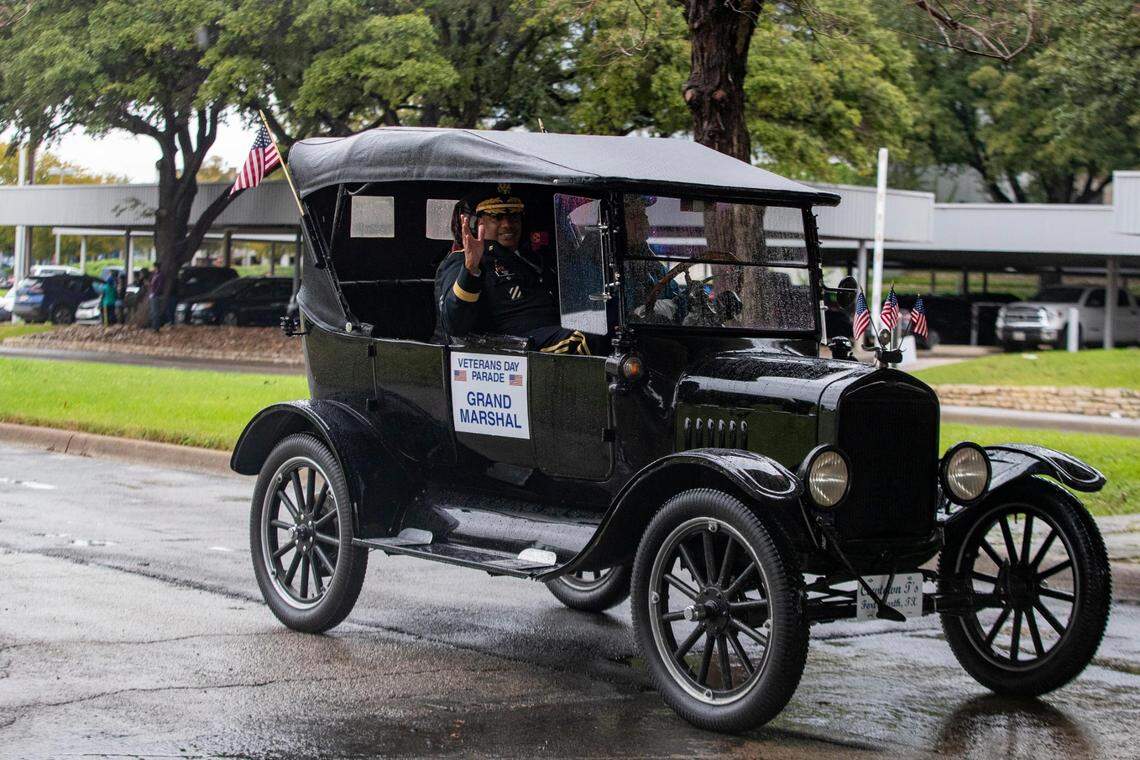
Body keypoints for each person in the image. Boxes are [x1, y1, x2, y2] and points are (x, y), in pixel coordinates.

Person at [434, 185, 596, 354]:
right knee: (587, 338)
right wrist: (471, 269)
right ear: (479, 223)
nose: (507, 224)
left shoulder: (532, 259)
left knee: (613, 330)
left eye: (514, 217)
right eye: (496, 217)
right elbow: (454, 325)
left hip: (551, 332)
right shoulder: (463, 260)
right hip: (512, 346)